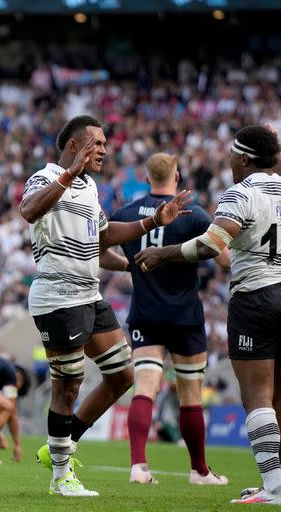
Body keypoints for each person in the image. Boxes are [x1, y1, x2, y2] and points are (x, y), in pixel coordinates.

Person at [18, 115, 191, 497]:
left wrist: (151, 224)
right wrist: (67, 176)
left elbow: (105, 234)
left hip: (89, 294)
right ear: (74, 146)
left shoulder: (89, 187)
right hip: (58, 296)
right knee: (68, 385)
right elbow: (29, 211)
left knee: (122, 376)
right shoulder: (45, 177)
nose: (104, 150)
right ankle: (60, 477)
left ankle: (61, 445)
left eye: (105, 144)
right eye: (96, 143)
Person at [135, 125, 281, 505]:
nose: (228, 161)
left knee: (258, 398)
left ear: (245, 159)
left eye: (232, 155)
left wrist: (161, 253)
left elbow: (212, 244)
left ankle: (275, 487)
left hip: (256, 297)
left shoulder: (242, 192)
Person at [110, 152, 229, 485]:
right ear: (176, 176)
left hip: (145, 313)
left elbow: (101, 242)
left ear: (147, 178)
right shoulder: (193, 214)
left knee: (144, 388)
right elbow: (224, 260)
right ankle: (199, 471)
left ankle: (138, 465)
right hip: (184, 315)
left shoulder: (128, 213)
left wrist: (126, 265)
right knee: (190, 393)